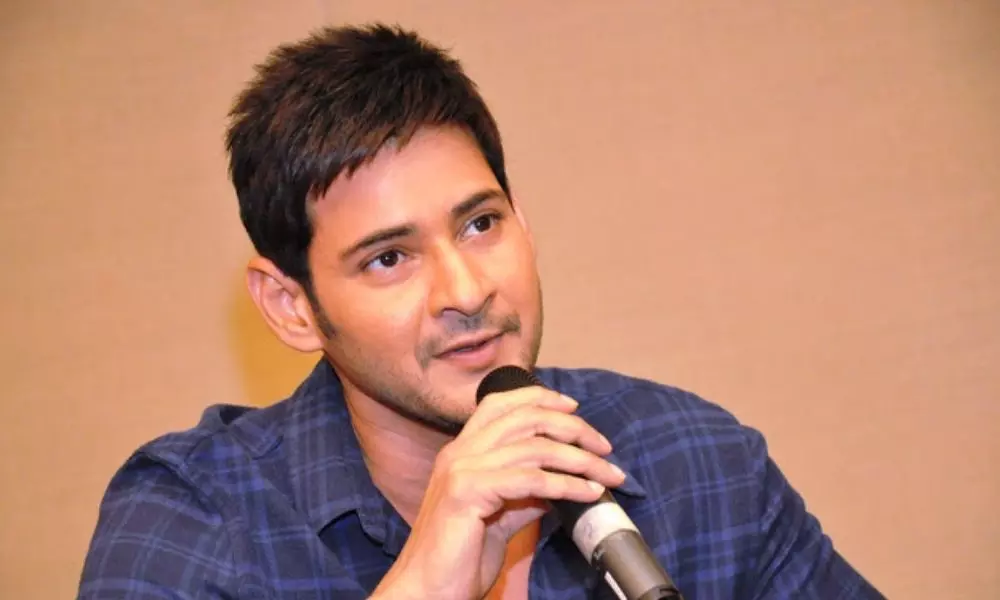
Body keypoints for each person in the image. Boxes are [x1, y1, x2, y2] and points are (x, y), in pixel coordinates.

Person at [78, 23, 884, 599]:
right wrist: (425, 579)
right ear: (292, 306)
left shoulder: (697, 463)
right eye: (389, 259)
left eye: (479, 224)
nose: (466, 292)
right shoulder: (196, 518)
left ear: (522, 221)